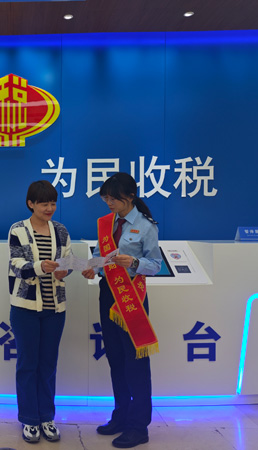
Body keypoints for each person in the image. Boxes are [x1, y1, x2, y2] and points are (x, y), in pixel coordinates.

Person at [81, 172, 162, 449]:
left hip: (131, 299)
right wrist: (92, 268)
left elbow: (156, 265)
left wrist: (135, 263)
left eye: (113, 198)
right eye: (106, 198)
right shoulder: (107, 223)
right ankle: (121, 416)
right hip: (108, 295)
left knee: (135, 363)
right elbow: (99, 255)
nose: (109, 203)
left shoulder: (146, 226)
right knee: (115, 359)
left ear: (130, 197)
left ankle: (138, 426)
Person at [8, 180, 73, 444]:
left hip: (55, 308)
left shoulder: (61, 230)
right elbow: (16, 264)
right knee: (28, 365)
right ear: (30, 204)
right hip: (25, 308)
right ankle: (29, 419)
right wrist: (39, 267)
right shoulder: (18, 229)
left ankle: (47, 417)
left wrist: (64, 270)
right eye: (44, 203)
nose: (49, 208)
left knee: (48, 365)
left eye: (53, 203)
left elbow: (68, 260)